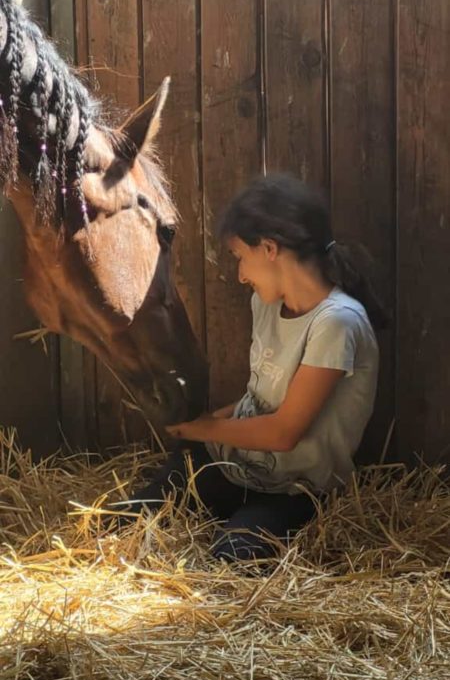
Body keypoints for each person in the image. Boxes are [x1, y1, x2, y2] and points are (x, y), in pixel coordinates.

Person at [119, 173, 385, 563]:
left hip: (295, 488)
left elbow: (283, 433)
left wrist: (202, 427)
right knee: (129, 516)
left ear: (270, 249)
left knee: (231, 560)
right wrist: (205, 424)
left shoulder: (337, 323)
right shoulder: (265, 304)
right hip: (238, 463)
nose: (241, 274)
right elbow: (259, 396)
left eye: (242, 257)